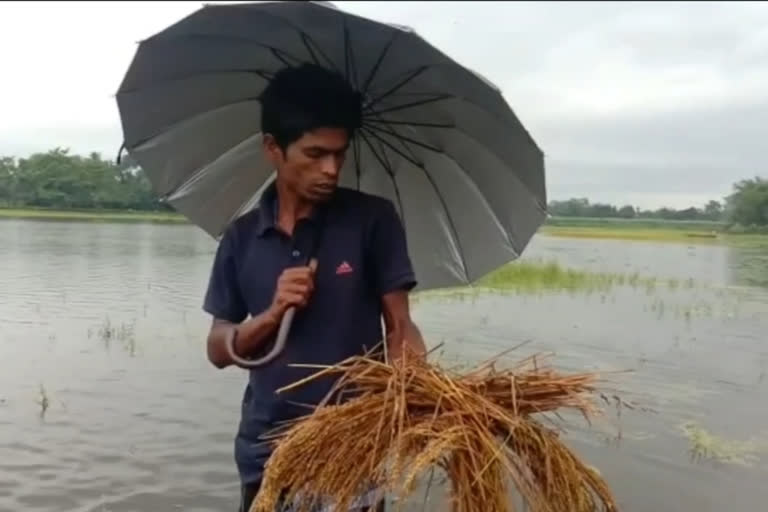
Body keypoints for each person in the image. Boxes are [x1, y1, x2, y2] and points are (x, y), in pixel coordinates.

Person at [202, 63, 427, 512]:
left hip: (351, 454)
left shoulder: (372, 221)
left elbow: (400, 327)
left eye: (339, 155)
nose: (330, 169)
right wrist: (271, 314)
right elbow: (217, 349)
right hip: (267, 454)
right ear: (273, 148)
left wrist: (414, 387)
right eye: (314, 153)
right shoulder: (242, 236)